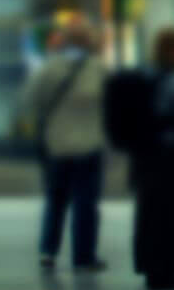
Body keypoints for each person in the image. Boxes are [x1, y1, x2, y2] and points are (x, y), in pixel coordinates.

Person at [113, 29, 174, 290]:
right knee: (171, 213)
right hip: (171, 155)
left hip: (145, 156)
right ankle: (167, 270)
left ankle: (154, 268)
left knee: (150, 214)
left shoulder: (143, 76)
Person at [17, 21, 108, 272]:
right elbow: (110, 103)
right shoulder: (98, 69)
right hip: (89, 143)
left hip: (56, 144)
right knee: (86, 203)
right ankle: (84, 256)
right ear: (89, 41)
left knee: (55, 198)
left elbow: (31, 99)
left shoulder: (49, 67)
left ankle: (48, 251)